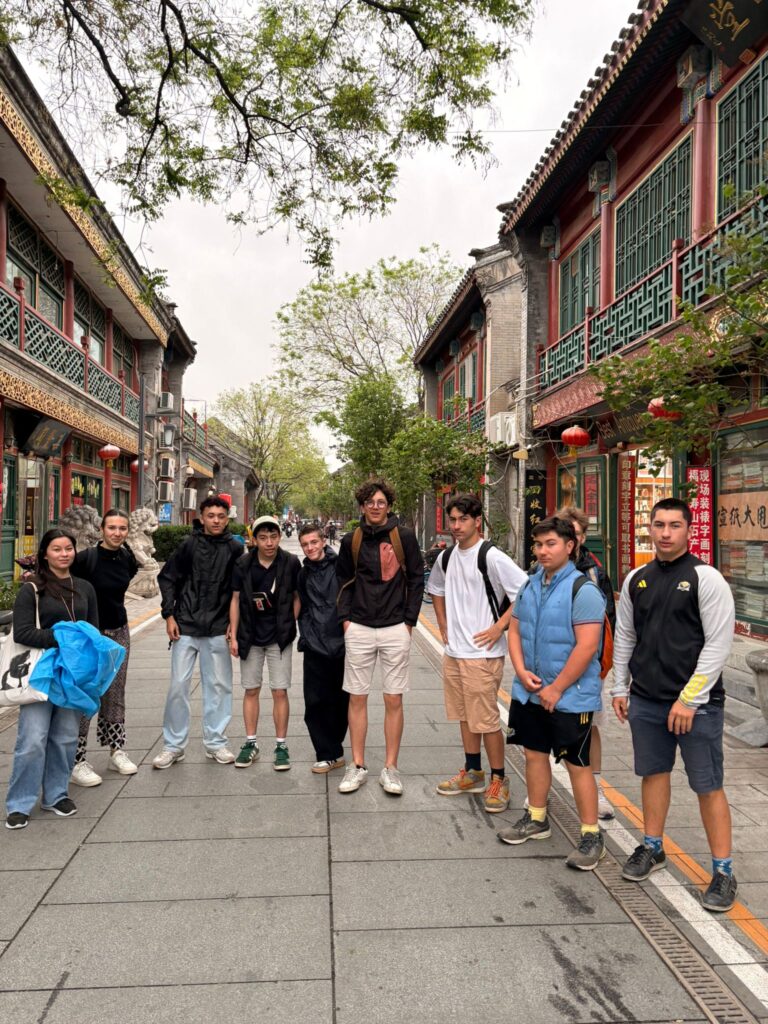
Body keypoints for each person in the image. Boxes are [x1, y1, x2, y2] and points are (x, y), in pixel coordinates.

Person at [612, 497, 737, 912]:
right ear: (649, 527)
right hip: (647, 700)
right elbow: (626, 636)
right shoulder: (637, 579)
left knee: (707, 785)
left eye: (675, 525)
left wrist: (689, 699)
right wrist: (619, 687)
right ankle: (652, 846)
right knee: (653, 773)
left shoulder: (706, 578)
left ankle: (723, 871)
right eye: (659, 524)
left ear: (689, 530)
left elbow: (718, 645)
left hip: (697, 706)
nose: (665, 533)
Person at [497, 516, 607, 871]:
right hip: (530, 691)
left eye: (551, 544)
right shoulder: (529, 586)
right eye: (538, 544)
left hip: (571, 696)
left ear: (570, 546)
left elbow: (587, 646)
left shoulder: (582, 590)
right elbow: (515, 631)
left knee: (577, 763)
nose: (542, 551)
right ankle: (537, 817)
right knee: (533, 754)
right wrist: (520, 670)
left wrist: (557, 688)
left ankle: (591, 835)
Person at [428, 494, 527, 813]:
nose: (456, 526)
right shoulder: (446, 557)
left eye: (463, 519)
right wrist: (442, 623)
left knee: (485, 720)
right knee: (464, 715)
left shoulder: (491, 556)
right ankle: (473, 772)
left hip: (482, 654)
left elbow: (524, 592)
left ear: (476, 521)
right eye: (453, 520)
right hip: (455, 652)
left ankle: (499, 778)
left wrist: (499, 627)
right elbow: (436, 589)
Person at [335, 479, 424, 796]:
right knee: (357, 697)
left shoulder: (404, 537)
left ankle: (391, 768)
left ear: (389, 505)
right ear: (362, 506)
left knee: (393, 698)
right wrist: (346, 620)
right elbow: (343, 581)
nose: (375, 507)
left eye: (381, 502)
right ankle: (357, 765)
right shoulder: (352, 540)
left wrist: (409, 622)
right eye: (370, 502)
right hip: (358, 627)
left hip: (395, 627)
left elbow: (416, 579)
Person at [5, 529, 99, 829]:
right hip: (40, 673)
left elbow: (93, 631)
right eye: (56, 549)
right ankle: (19, 803)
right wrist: (64, 638)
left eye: (68, 548)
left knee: (66, 737)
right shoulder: (32, 589)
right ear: (45, 554)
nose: (64, 554)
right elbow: (22, 633)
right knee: (33, 739)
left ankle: (56, 795)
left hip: (73, 673)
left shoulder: (85, 588)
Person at [153, 496, 243, 769]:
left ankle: (216, 742)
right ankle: (173, 746)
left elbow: (239, 591)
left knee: (219, 687)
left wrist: (234, 624)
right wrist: (169, 614)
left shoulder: (235, 548)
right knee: (178, 687)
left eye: (221, 516)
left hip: (217, 627)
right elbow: (167, 578)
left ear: (227, 519)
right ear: (201, 517)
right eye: (211, 515)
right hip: (186, 625)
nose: (216, 520)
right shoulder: (188, 545)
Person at [70, 508, 139, 786]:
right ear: (102, 529)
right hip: (90, 635)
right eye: (112, 528)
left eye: (122, 528)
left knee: (115, 692)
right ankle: (76, 759)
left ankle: (116, 750)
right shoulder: (85, 559)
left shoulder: (127, 558)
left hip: (118, 631)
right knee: (86, 694)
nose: (117, 533)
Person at [557, 505, 616, 820]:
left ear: (581, 537)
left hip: (589, 665)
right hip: (553, 663)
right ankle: (541, 788)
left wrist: (603, 667)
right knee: (551, 723)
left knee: (590, 726)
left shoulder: (594, 572)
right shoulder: (542, 569)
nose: (570, 539)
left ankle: (596, 788)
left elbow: (609, 623)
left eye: (575, 533)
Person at [229, 516, 300, 770]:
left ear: (279, 537)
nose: (269, 543)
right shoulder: (243, 563)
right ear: (254, 540)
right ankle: (251, 743)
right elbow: (235, 599)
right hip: (250, 636)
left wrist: (288, 622)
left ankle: (281, 745)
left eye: (273, 537)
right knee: (251, 689)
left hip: (279, 638)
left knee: (280, 691)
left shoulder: (290, 562)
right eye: (263, 538)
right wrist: (233, 635)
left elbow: (297, 596)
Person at [297, 523, 348, 772]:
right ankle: (326, 752)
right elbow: (301, 605)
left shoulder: (340, 566)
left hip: (341, 643)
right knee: (314, 702)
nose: (310, 548)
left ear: (324, 541)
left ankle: (335, 749)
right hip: (313, 644)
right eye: (305, 544)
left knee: (340, 700)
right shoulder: (302, 573)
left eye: (314, 542)